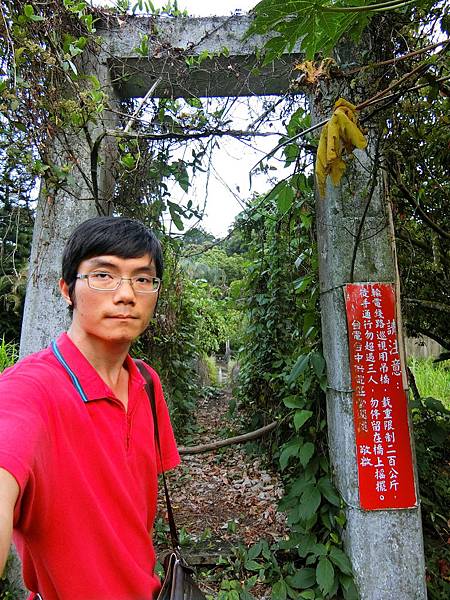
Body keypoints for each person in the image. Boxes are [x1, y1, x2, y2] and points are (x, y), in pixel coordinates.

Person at [0, 216, 180, 599]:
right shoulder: (28, 390)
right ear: (67, 289)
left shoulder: (147, 383)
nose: (126, 294)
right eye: (103, 275)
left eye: (143, 279)